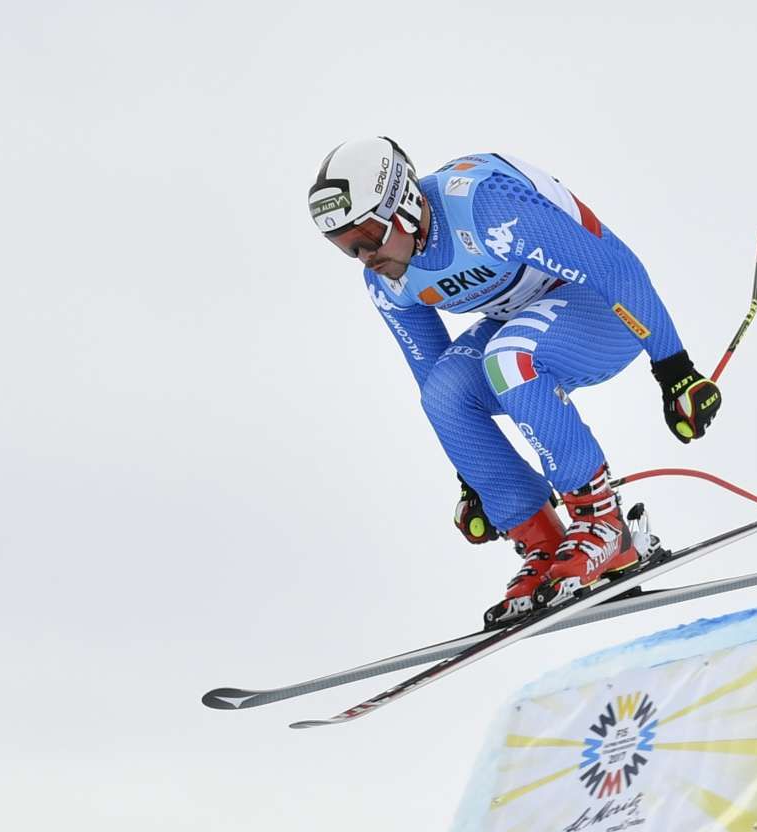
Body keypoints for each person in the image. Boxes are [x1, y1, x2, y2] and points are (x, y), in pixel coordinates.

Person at [307, 137, 723, 626]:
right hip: (526, 322)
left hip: (604, 310)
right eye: (346, 246)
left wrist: (675, 370)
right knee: (443, 393)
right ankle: (543, 541)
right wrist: (474, 479)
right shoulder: (386, 279)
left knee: (507, 358)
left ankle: (603, 524)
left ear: (404, 206)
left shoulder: (484, 208)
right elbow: (431, 369)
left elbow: (614, 268)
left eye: (367, 235)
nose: (364, 256)